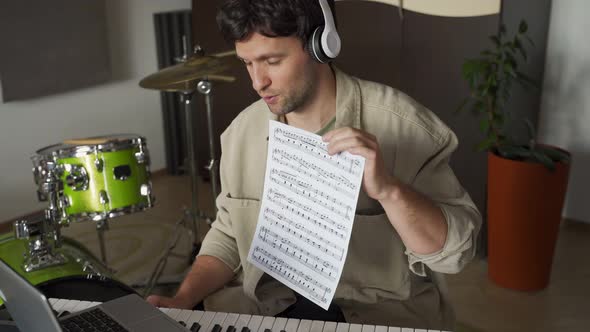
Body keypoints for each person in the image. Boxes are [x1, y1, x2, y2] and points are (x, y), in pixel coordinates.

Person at [147, 0, 481, 330]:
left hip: (374, 315)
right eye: (247, 63)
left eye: (272, 61)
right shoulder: (241, 133)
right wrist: (183, 299)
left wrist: (390, 191)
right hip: (267, 307)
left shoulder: (407, 126)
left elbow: (454, 255)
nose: (257, 82)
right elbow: (229, 232)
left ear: (322, 45)